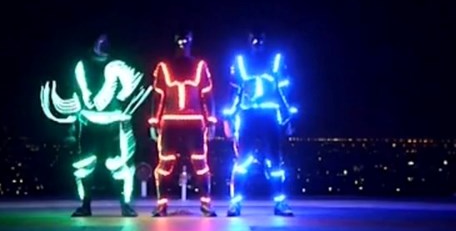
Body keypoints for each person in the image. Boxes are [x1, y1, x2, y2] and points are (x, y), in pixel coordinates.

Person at [40, 34, 150, 216]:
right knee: (85, 165)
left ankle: (124, 204)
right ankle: (86, 205)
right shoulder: (82, 65)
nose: (103, 44)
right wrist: (73, 125)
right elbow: (76, 92)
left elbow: (128, 91)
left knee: (118, 165)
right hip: (89, 123)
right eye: (99, 40)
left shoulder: (117, 65)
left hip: (113, 124)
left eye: (106, 41)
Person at [223, 30, 298, 216]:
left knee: (275, 160)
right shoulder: (240, 62)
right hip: (248, 116)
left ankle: (279, 202)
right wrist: (228, 119)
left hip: (269, 116)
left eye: (260, 38)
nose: (257, 42)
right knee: (242, 161)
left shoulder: (276, 61)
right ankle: (235, 203)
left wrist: (287, 118)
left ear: (265, 40)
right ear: (249, 40)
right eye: (254, 38)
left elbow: (283, 92)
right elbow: (233, 92)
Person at [148, 30, 217, 217]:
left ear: (191, 40)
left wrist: (211, 122)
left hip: (194, 123)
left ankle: (205, 204)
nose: (183, 43)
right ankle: (162, 205)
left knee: (200, 163)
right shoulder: (164, 66)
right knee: (165, 163)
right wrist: (154, 122)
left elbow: (207, 95)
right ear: (174, 40)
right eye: (179, 39)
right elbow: (158, 96)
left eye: (186, 39)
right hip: (170, 122)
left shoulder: (200, 66)